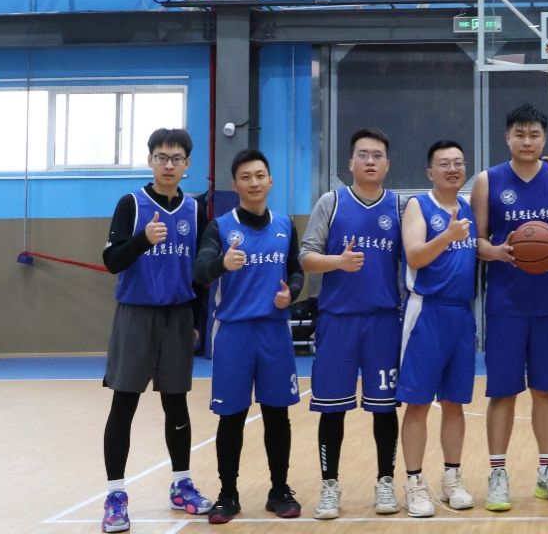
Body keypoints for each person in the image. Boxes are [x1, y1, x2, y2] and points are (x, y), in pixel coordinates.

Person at [100, 127, 211, 533]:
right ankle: (115, 496)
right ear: (150, 161)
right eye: (161, 157)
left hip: (178, 316)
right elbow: (112, 261)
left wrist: (196, 322)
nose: (168, 165)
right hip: (136, 315)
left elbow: (199, 273)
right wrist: (142, 240)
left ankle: (182, 485)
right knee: (124, 404)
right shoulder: (131, 204)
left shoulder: (195, 211)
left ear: (187, 164)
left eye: (176, 158)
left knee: (177, 404)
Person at [471, 104, 548, 511]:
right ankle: (498, 474)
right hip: (505, 305)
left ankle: (547, 472)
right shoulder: (487, 181)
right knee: (502, 393)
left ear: (544, 139)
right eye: (519, 134)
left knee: (546, 391)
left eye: (534, 134)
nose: (527, 141)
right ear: (507, 137)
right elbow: (476, 241)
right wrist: (496, 252)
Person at [193, 149, 305, 524]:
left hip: (274, 332)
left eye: (260, 175)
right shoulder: (220, 227)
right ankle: (228, 494)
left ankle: (280, 490)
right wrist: (222, 263)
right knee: (231, 417)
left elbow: (296, 272)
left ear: (270, 180)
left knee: (277, 414)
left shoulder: (285, 225)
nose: (254, 182)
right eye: (246, 177)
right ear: (235, 184)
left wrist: (291, 292)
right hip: (234, 334)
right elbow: (200, 271)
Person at [299, 129, 403, 518]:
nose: (370, 161)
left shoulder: (399, 207)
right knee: (332, 409)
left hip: (382, 322)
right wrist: (338, 262)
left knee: (384, 408)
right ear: (350, 163)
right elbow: (307, 257)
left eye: (377, 155)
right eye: (363, 154)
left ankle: (385, 482)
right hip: (337, 320)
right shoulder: (332, 202)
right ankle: (330, 486)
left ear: (387, 164)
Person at [398, 141, 480, 517]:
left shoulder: (468, 208)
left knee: (454, 403)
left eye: (458, 163)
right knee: (417, 403)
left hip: (461, 315)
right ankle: (414, 482)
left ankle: (452, 478)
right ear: (430, 172)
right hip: (426, 312)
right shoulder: (419, 205)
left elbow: (477, 248)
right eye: (444, 163)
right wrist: (448, 236)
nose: (452, 169)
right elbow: (414, 256)